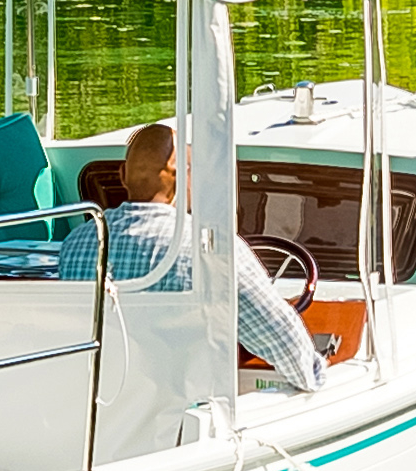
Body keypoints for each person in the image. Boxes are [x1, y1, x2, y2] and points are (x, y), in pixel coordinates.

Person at [61, 121, 326, 383]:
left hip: (101, 403)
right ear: (185, 178)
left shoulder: (75, 245)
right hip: (186, 413)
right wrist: (315, 375)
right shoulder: (212, 249)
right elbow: (286, 348)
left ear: (122, 175)